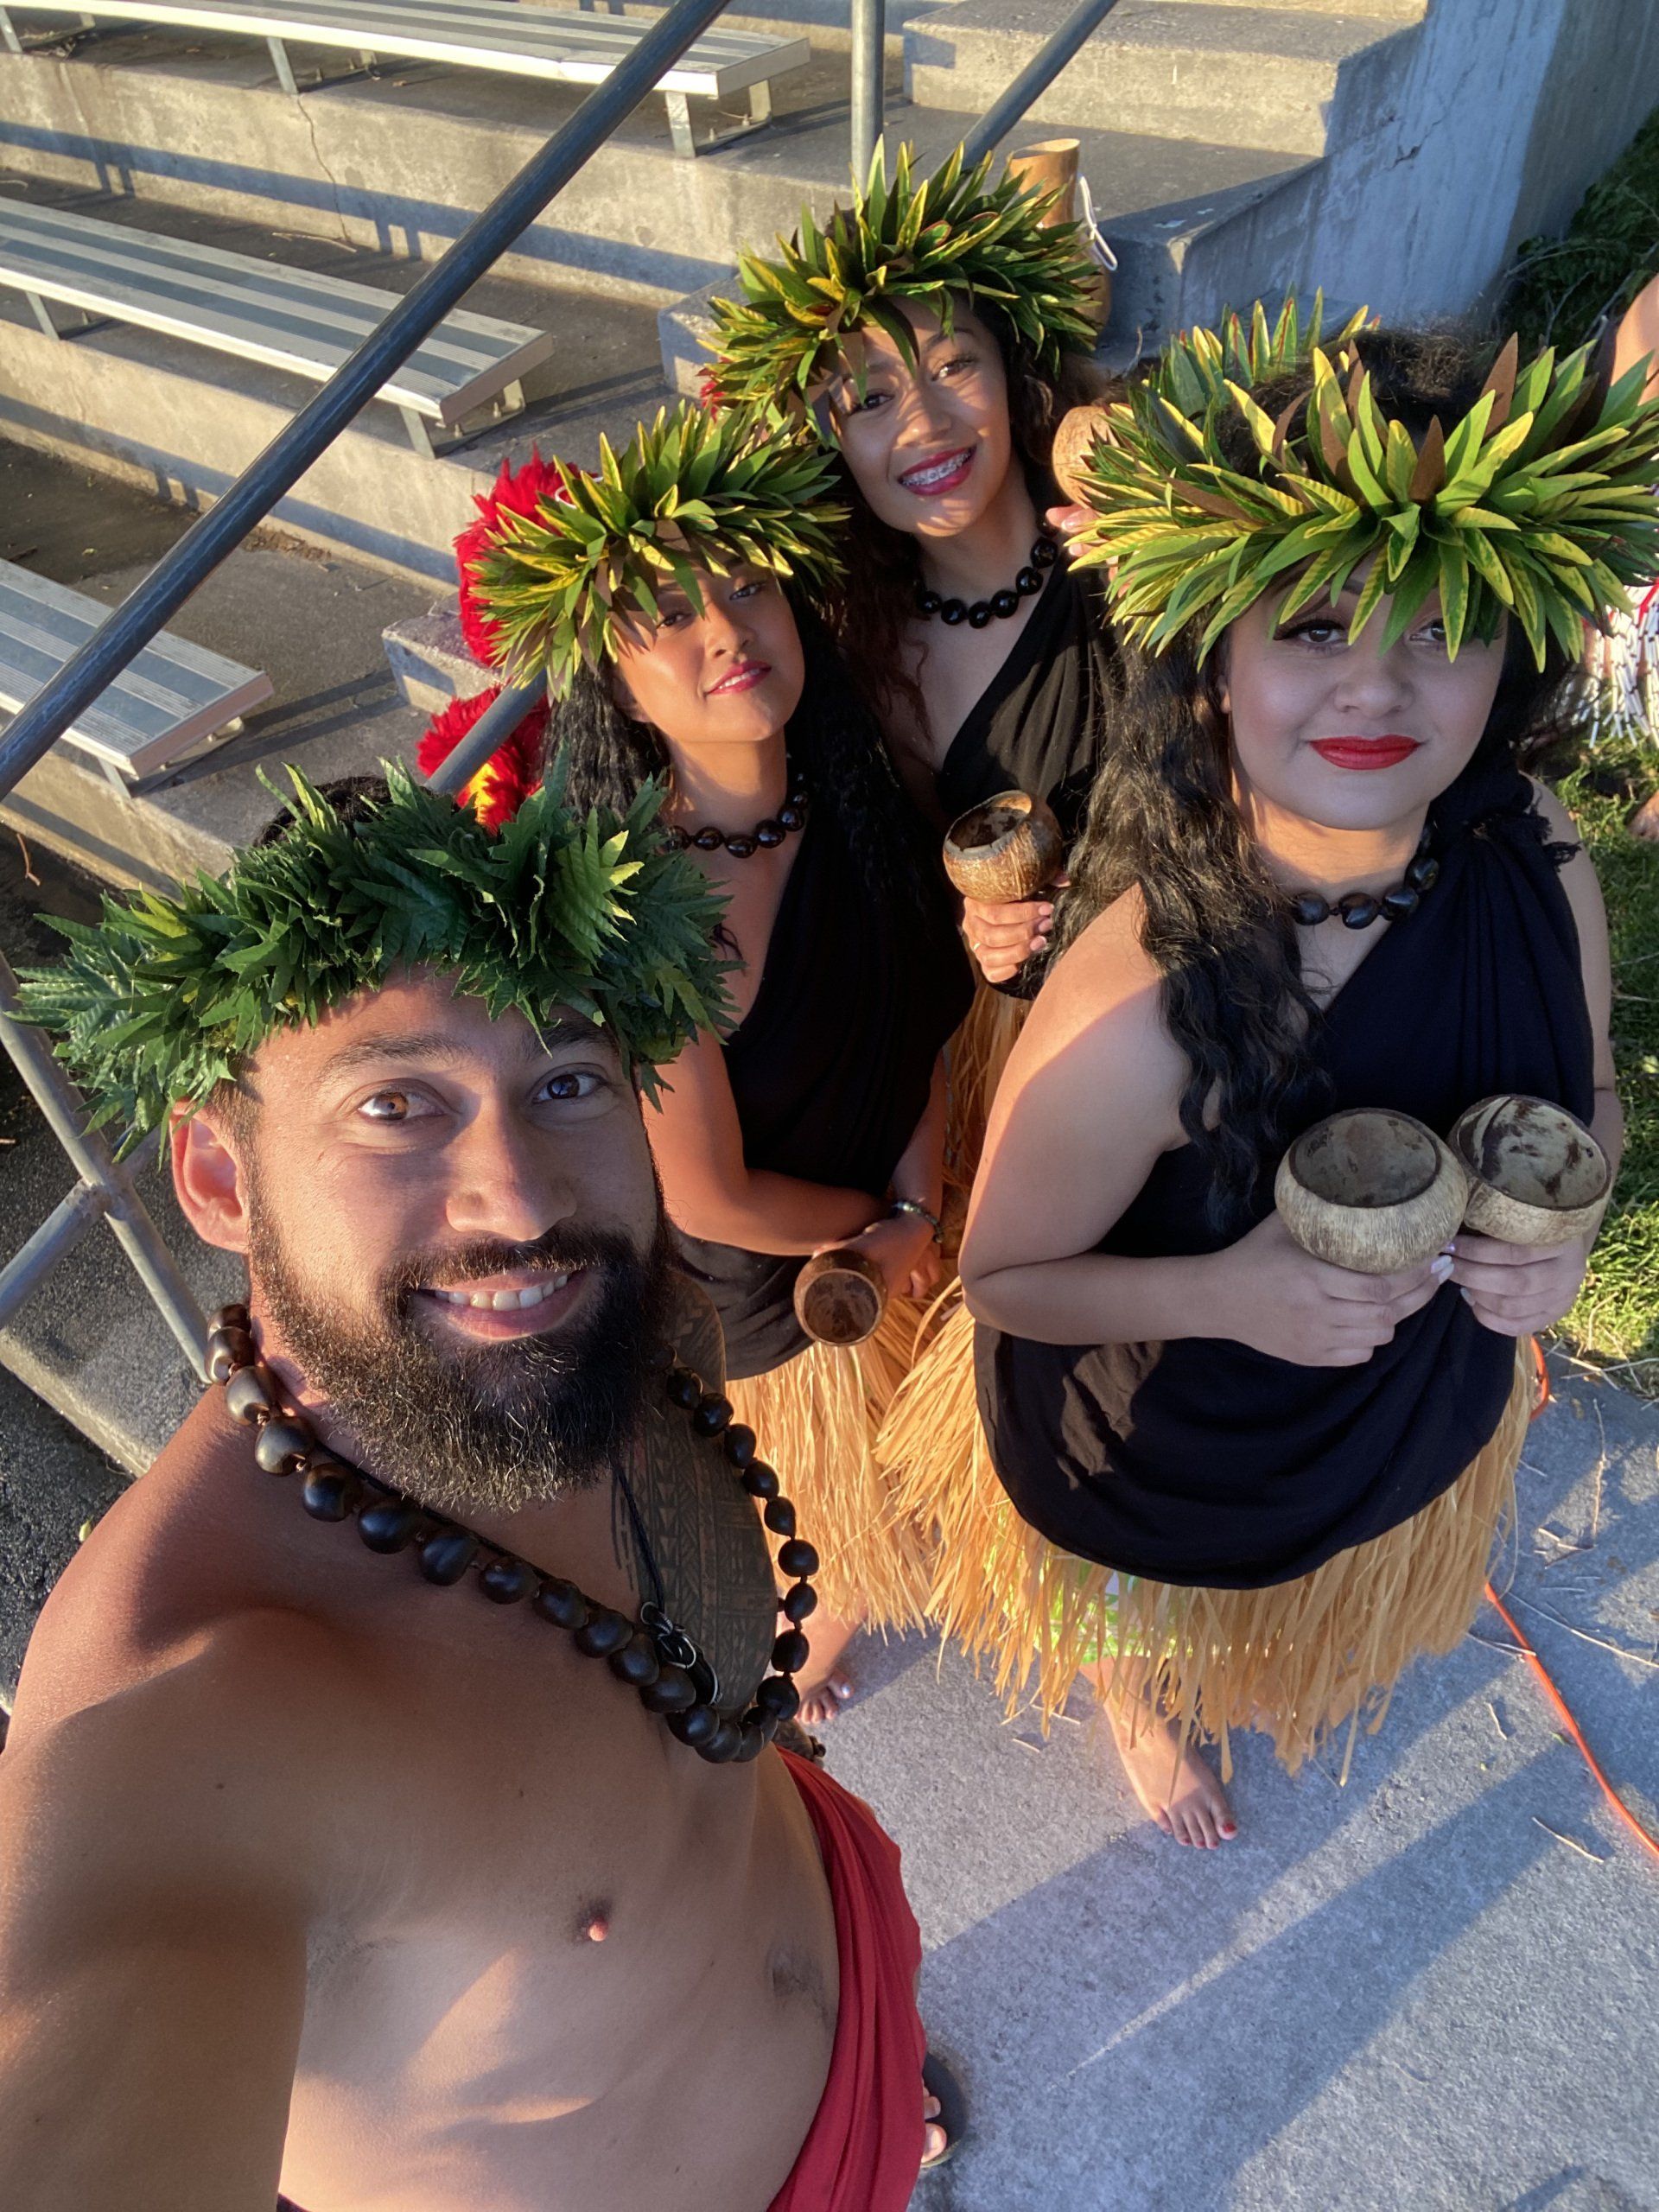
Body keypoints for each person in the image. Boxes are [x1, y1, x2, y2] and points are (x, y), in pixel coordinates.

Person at [0, 765, 957, 2207]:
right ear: (219, 1178)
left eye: (564, 1082)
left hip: (844, 1952)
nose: (519, 1200)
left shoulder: (615, 1327)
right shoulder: (191, 1720)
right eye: (397, 1104)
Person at [885, 313, 1656, 1847]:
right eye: (1311, 626)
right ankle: (1132, 1690)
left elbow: (1593, 1101)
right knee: (1135, 1604)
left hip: (1410, 1406)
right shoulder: (1139, 994)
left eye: (1440, 629)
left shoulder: (1538, 849)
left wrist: (1566, 1235)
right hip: (1175, 1433)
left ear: (1508, 658)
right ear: (1213, 666)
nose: (1377, 686)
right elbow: (1009, 1284)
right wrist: (1232, 1295)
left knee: (1314, 1582)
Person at [435, 403, 973, 1726]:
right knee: (835, 1503)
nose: (726, 630)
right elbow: (713, 1195)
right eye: (668, 616)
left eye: (747, 587)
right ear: (615, 683)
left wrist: (919, 1204)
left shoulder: (854, 794)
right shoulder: (643, 903)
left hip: (900, 1205)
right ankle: (834, 1593)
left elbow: (927, 1011)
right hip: (779, 1279)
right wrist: (891, 1228)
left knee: (946, 1442)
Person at [709, 143, 1118, 1168]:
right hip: (1080, 1037)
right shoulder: (876, 667)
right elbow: (950, 877)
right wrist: (986, 930)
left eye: (954, 367)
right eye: (871, 400)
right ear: (832, 448)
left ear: (1013, 371)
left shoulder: (1129, 528)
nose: (926, 424)